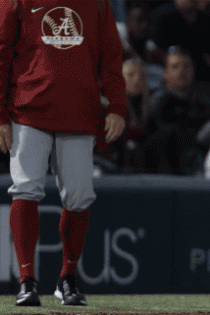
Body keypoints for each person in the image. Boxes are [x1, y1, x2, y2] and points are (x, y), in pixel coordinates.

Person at [0, 0, 127, 307]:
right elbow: (1, 53)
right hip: (29, 109)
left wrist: (118, 106)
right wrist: (1, 115)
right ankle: (27, 280)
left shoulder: (97, 3)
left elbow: (111, 55)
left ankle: (67, 278)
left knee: (79, 196)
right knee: (26, 189)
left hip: (79, 112)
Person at [139, 46, 210, 175]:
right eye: (175, 67)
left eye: (186, 66)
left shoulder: (204, 104)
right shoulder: (157, 103)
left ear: (193, 71)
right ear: (165, 73)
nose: (181, 71)